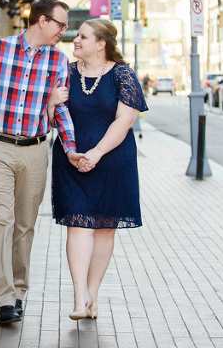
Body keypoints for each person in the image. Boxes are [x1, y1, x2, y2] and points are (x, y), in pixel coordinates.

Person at [0, 0, 83, 324]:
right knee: (0, 222)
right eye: (60, 24)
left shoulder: (59, 62)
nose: (64, 30)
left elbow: (60, 109)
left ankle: (19, 291)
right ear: (42, 21)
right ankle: (4, 299)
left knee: (24, 225)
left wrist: (70, 147)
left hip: (35, 150)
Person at [47, 18, 148, 321]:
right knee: (78, 225)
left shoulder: (122, 75)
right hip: (72, 160)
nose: (75, 41)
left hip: (113, 161)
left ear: (101, 44)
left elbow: (125, 120)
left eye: (82, 37)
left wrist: (97, 152)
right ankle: (79, 298)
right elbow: (53, 119)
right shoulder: (64, 73)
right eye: (76, 36)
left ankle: (92, 294)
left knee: (104, 229)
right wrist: (51, 102)